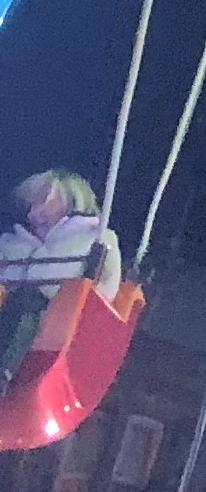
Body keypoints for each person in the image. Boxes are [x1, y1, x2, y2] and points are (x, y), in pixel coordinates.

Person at [0, 165, 118, 385]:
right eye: (31, 204)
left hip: (64, 329)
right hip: (15, 314)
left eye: (43, 201)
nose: (34, 212)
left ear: (69, 199)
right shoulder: (14, 242)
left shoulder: (96, 239)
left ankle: (4, 375)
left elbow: (104, 291)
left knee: (28, 303)